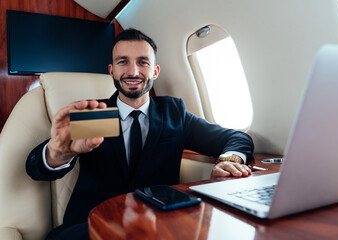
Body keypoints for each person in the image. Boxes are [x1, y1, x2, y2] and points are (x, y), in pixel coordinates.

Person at [26, 28, 254, 239]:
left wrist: (228, 161)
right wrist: (56, 153)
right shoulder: (96, 114)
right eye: (123, 62)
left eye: (142, 62)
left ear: (155, 71)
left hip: (157, 223)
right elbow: (35, 167)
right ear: (112, 70)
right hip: (92, 224)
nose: (132, 71)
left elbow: (237, 138)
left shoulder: (173, 113)